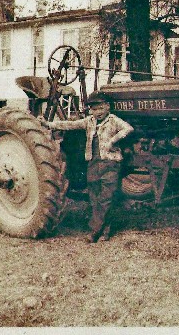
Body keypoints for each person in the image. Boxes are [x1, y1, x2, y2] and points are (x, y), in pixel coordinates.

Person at [39, 91, 134, 243]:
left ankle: (94, 232)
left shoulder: (113, 120)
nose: (98, 112)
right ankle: (105, 230)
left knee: (106, 198)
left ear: (107, 107)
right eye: (94, 109)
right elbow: (70, 125)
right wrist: (49, 124)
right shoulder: (89, 121)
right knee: (95, 198)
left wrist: (112, 141)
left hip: (110, 163)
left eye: (100, 108)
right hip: (93, 163)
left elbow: (128, 128)